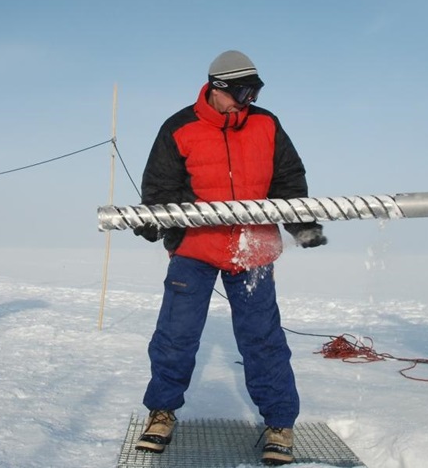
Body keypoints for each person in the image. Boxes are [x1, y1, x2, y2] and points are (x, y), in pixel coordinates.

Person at [132, 49, 327, 466]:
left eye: (254, 91)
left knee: (262, 337)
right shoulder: (179, 127)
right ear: (216, 88)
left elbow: (288, 180)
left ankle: (279, 422)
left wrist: (303, 224)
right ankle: (162, 412)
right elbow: (160, 187)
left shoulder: (266, 124)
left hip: (253, 247)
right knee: (176, 335)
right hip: (195, 249)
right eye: (241, 91)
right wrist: (158, 219)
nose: (248, 99)